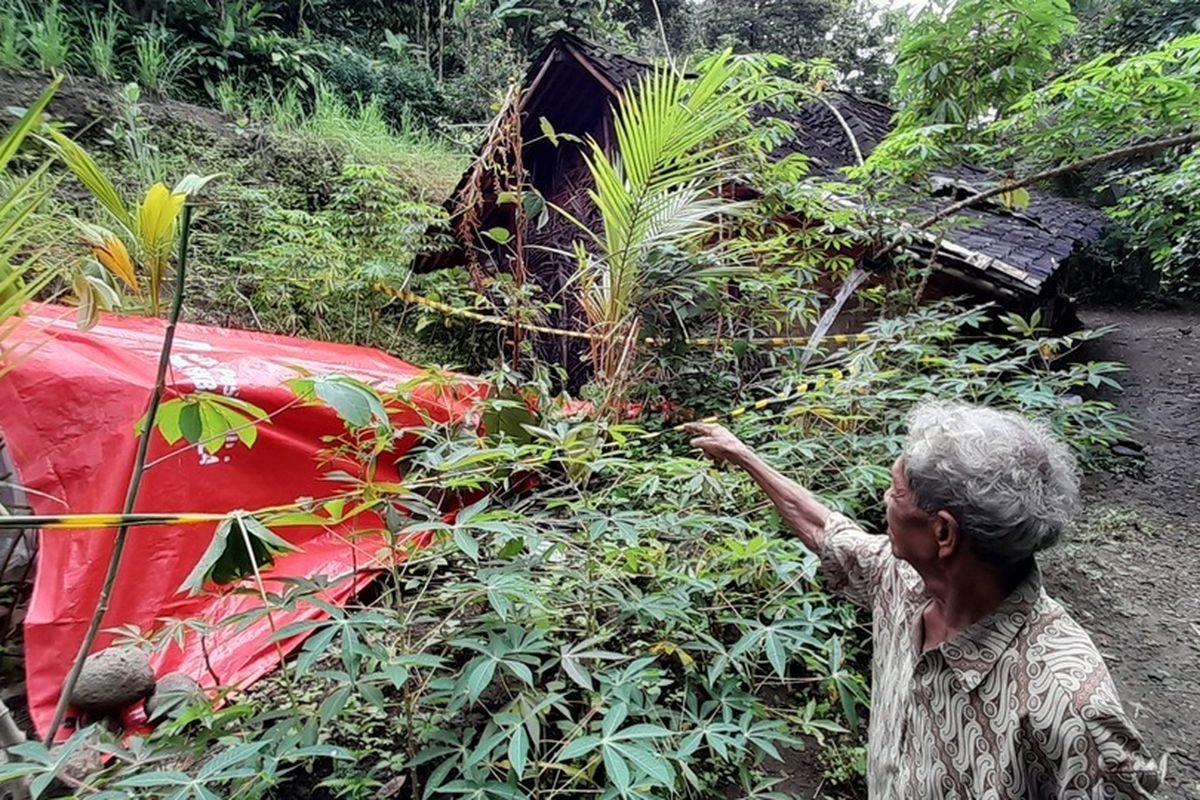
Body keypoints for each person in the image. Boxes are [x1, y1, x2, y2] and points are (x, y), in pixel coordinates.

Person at [686, 401, 1163, 799]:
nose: (883, 501)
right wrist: (742, 454)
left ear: (943, 532)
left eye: (894, 492)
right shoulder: (905, 584)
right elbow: (828, 531)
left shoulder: (1067, 705)